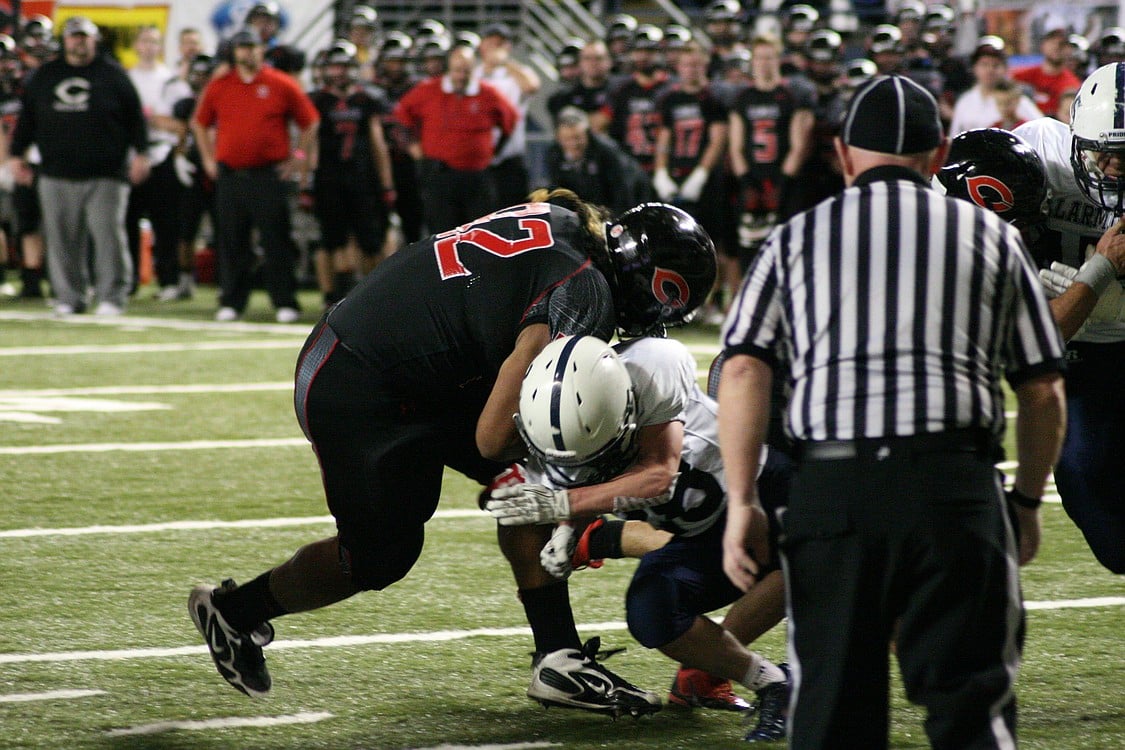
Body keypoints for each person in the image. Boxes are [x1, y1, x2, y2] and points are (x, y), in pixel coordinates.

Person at [187, 192, 714, 716]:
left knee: (536, 481)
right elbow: (491, 436)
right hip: (359, 382)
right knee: (380, 557)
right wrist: (590, 472)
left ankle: (559, 657)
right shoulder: (585, 293)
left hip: (403, 361)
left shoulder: (572, 224)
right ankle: (235, 612)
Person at [720, 75, 1067, 749]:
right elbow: (1041, 387)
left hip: (835, 490)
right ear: (937, 157)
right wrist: (1024, 502)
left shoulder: (795, 237)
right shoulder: (989, 237)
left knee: (831, 716)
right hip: (953, 488)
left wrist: (741, 501)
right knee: (971, 711)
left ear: (845, 156)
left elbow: (739, 367)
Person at [485, 334, 793, 742]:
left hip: (768, 494)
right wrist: (567, 529)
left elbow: (658, 477)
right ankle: (773, 683)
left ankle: (821, 672)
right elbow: (588, 480)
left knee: (816, 557)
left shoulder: (652, 367)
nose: (587, 466)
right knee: (652, 611)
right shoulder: (555, 431)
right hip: (700, 535)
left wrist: (563, 505)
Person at [1013, 62, 1125, 574]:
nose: (1113, 170)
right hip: (1075, 348)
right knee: (1082, 475)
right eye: (1103, 153)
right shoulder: (1035, 150)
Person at [9, 16, 150, 316]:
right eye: (74, 37)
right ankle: (69, 297)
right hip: (55, 170)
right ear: (65, 40)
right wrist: (16, 155)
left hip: (106, 172)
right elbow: (27, 121)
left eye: (84, 37)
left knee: (108, 236)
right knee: (61, 238)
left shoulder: (113, 75)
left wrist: (141, 153)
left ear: (94, 40)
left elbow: (136, 119)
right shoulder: (45, 76)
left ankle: (112, 296)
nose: (79, 42)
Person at [191, 27, 319, 323]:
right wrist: (209, 158)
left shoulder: (281, 83)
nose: (247, 52)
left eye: (252, 46)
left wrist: (299, 156)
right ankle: (232, 301)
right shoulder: (220, 85)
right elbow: (200, 123)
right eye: (242, 47)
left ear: (262, 49)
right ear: (234, 52)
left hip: (268, 175)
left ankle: (284, 300)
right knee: (232, 240)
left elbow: (310, 121)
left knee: (276, 238)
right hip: (231, 175)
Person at [393, 45, 517, 234]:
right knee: (443, 233)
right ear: (449, 69)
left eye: (465, 71)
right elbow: (401, 114)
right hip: (441, 175)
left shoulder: (488, 93)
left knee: (480, 233)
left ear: (473, 70)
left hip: (477, 177)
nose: (461, 76)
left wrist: (494, 151)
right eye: (457, 70)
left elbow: (510, 119)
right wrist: (412, 146)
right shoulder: (428, 90)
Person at [309, 39, 394, 305]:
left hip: (361, 177)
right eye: (334, 67)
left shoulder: (368, 99)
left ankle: (373, 297)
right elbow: (308, 141)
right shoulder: (317, 100)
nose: (339, 72)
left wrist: (387, 183)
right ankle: (329, 297)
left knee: (370, 240)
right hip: (328, 178)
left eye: (343, 66)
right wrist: (305, 181)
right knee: (329, 240)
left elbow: (377, 143)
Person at [126, 25, 190, 300]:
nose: (149, 47)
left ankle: (169, 280)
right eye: (144, 40)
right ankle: (127, 281)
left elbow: (186, 124)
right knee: (127, 222)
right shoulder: (126, 78)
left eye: (155, 41)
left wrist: (156, 122)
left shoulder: (171, 81)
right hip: (132, 156)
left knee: (166, 223)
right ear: (136, 45)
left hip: (162, 153)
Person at [477, 23, 541, 211]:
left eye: (501, 44)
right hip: (478, 160)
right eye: (491, 43)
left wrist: (505, 62)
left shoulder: (515, 74)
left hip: (510, 161)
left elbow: (531, 85)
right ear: (482, 46)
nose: (495, 48)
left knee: (514, 214)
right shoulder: (474, 74)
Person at [545, 107, 638, 215]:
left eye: (577, 138)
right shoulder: (554, 155)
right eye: (567, 139)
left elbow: (622, 192)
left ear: (587, 134)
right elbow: (558, 193)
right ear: (558, 138)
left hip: (609, 208)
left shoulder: (607, 152)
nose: (574, 144)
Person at [948, 37, 1041, 136]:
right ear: (974, 68)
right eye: (984, 64)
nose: (990, 70)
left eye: (995, 65)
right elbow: (954, 137)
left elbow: (1040, 131)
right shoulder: (965, 101)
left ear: (1005, 68)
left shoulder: (1017, 101)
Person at [1012, 18, 1081, 121]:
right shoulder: (1021, 77)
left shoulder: (1071, 85)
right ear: (1042, 44)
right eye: (1052, 41)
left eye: (1062, 43)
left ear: (1069, 49)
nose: (1056, 46)